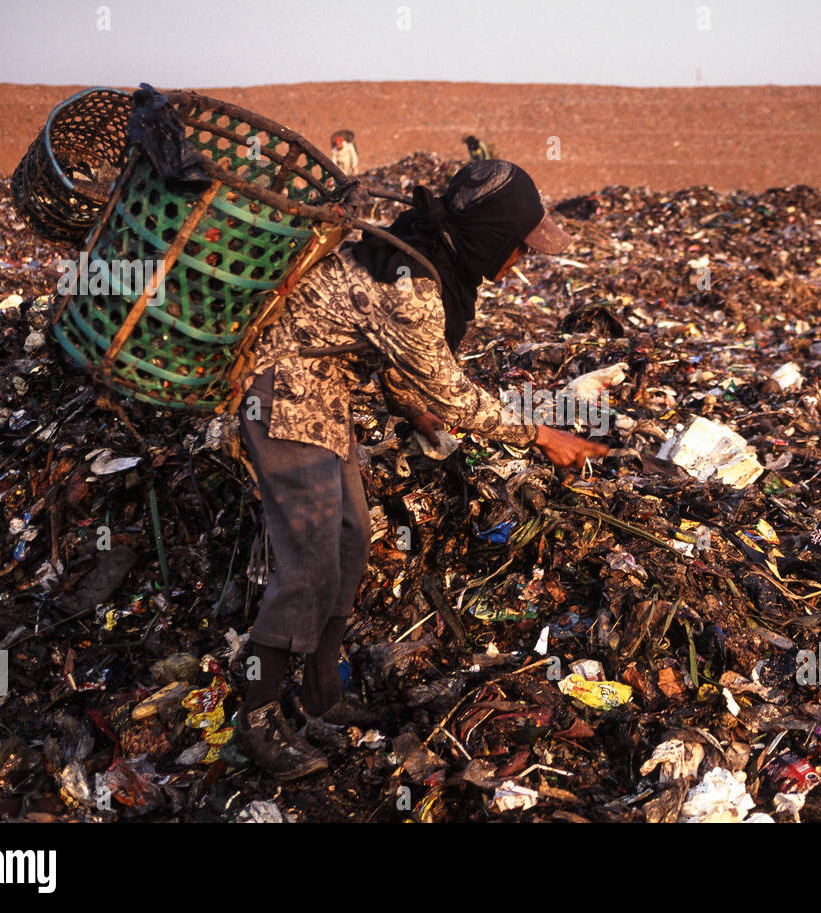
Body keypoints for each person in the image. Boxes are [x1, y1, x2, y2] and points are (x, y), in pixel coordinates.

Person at [234, 160, 608, 779]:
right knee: (310, 561)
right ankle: (255, 720)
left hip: (322, 392)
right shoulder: (413, 285)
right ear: (490, 235)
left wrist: (416, 412)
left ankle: (321, 695)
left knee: (352, 543)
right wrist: (543, 435)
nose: (518, 259)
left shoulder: (424, 261)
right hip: (280, 394)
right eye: (516, 245)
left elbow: (398, 365)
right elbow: (451, 389)